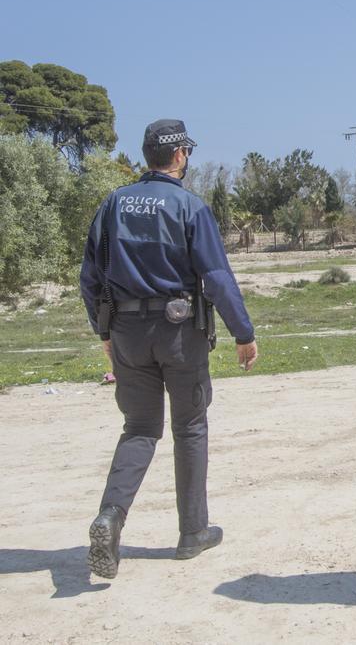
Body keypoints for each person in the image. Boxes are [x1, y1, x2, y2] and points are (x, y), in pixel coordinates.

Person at [79, 119, 258, 580]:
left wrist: (104, 333)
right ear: (179, 155)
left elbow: (90, 276)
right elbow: (216, 277)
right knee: (190, 428)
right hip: (179, 333)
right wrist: (243, 332)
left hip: (126, 331)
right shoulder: (189, 207)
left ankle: (110, 517)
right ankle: (192, 532)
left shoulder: (112, 204)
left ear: (147, 157)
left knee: (139, 427)